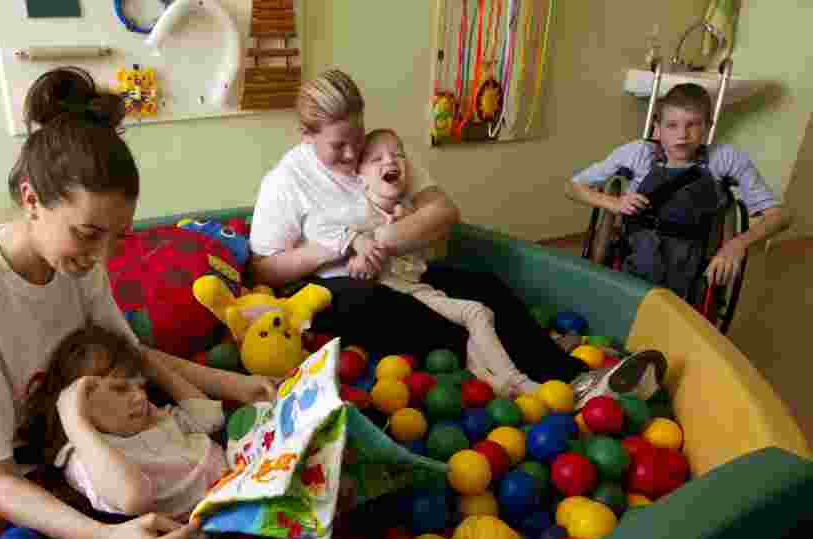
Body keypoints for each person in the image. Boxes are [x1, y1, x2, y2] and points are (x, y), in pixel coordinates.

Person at [0, 67, 276, 539]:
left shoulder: (73, 262)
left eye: (118, 236)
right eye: (88, 234)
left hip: (74, 435)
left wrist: (240, 385)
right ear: (32, 200)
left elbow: (128, 351)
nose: (104, 254)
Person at [249, 68, 667, 407]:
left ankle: (574, 378)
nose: (350, 154)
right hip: (336, 289)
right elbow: (264, 267)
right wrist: (339, 245)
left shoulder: (379, 153)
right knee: (391, 306)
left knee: (482, 287)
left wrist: (378, 238)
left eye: (356, 139)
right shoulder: (286, 182)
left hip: (401, 269)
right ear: (306, 136)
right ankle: (509, 375)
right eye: (338, 145)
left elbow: (444, 212)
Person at [303, 127, 541, 396]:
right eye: (377, 159)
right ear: (361, 178)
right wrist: (357, 248)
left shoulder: (407, 208)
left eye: (398, 155)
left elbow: (433, 240)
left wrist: (406, 218)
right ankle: (517, 380)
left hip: (417, 286)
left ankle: (488, 379)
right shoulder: (360, 211)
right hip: (398, 293)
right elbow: (322, 227)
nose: (390, 162)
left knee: (477, 315)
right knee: (475, 313)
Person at [567, 83, 790, 302]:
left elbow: (780, 216)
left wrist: (736, 244)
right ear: (658, 125)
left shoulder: (724, 158)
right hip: (635, 261)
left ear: (708, 126)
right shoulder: (638, 153)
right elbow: (573, 187)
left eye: (693, 125)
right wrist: (614, 203)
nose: (682, 135)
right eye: (672, 125)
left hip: (690, 268)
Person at [19, 323, 228, 522]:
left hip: (240, 481)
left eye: (140, 385)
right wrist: (76, 422)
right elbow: (133, 497)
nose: (140, 397)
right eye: (120, 389)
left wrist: (155, 367)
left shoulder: (151, 417)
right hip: (211, 523)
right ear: (77, 401)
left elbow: (211, 420)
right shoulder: (84, 455)